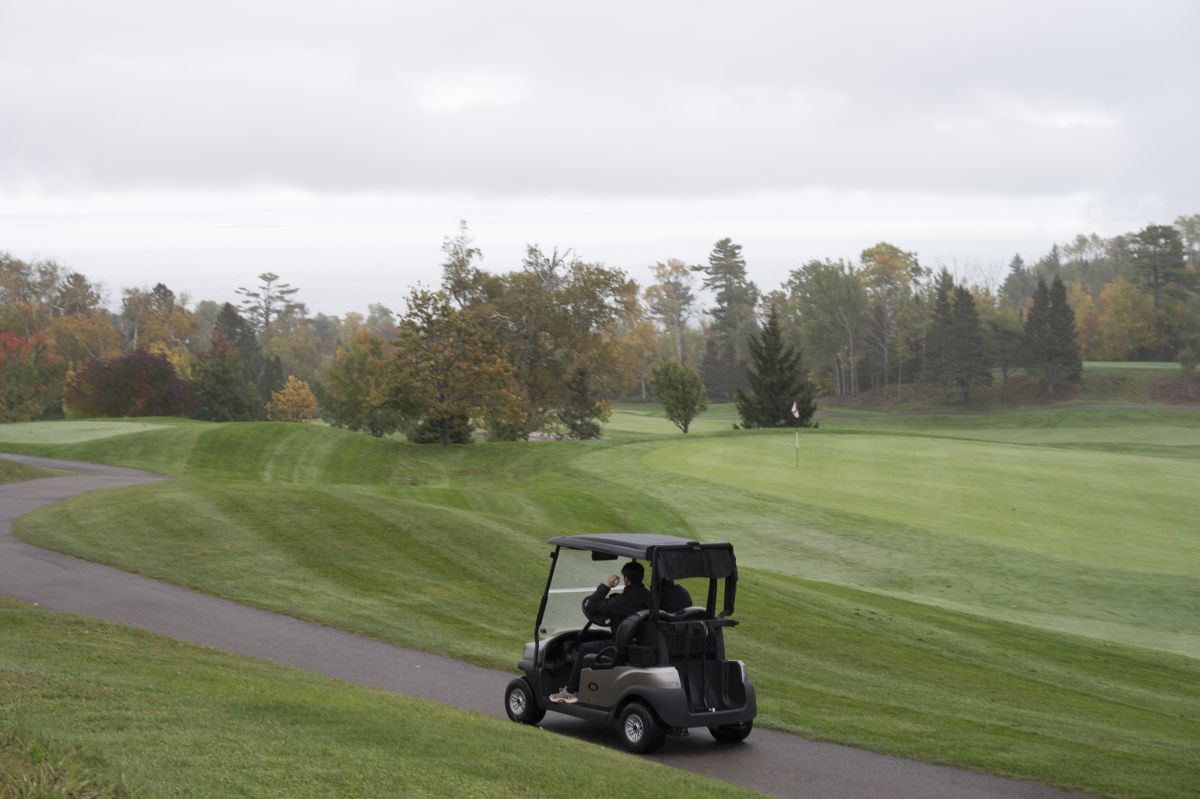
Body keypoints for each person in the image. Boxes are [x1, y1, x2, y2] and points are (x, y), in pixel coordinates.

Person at [550, 561, 650, 704]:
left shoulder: (621, 601)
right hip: (640, 644)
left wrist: (607, 585)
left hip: (621, 648)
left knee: (584, 648)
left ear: (626, 579)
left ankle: (571, 691)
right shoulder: (649, 597)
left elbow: (591, 606)